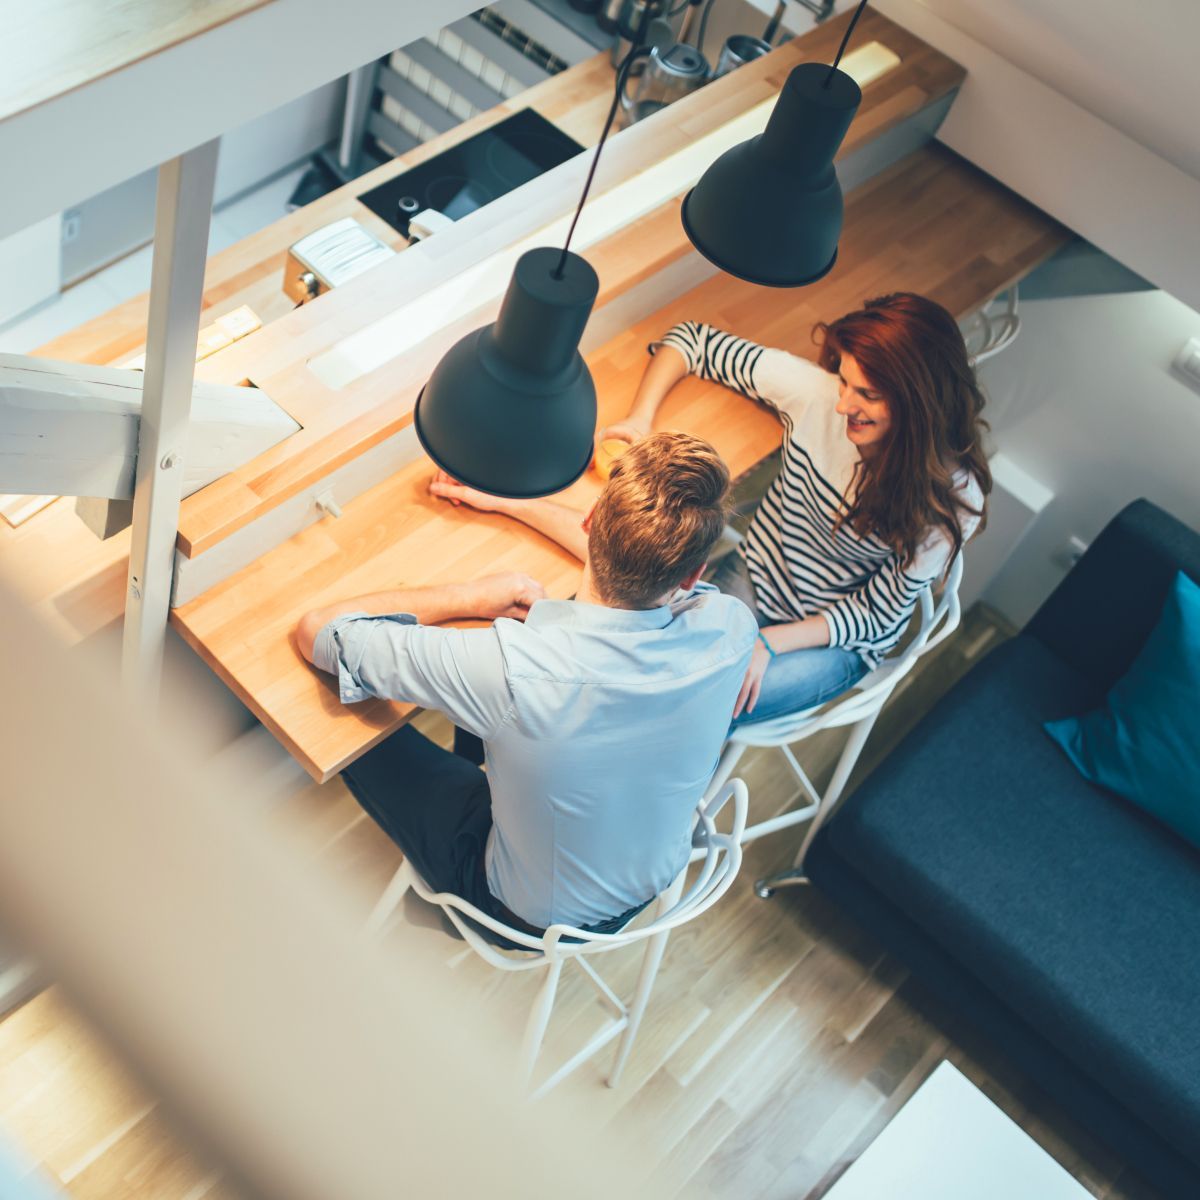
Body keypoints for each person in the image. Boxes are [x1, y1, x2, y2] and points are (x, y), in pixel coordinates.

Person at [296, 432, 756, 942]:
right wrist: (503, 499)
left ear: (588, 521)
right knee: (498, 719)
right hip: (648, 878)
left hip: (527, 919)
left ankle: (449, 911)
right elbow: (639, 567)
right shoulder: (732, 626)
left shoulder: (515, 670)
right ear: (694, 574)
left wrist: (471, 596)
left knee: (349, 726)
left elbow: (320, 633)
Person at [594, 292, 991, 724]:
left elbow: (876, 616)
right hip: (759, 576)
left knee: (699, 709)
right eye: (844, 381)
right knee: (644, 666)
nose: (843, 406)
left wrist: (767, 644)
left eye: (868, 394)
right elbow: (692, 342)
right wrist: (639, 418)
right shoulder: (819, 398)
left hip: (835, 637)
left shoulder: (954, 497)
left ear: (921, 405)